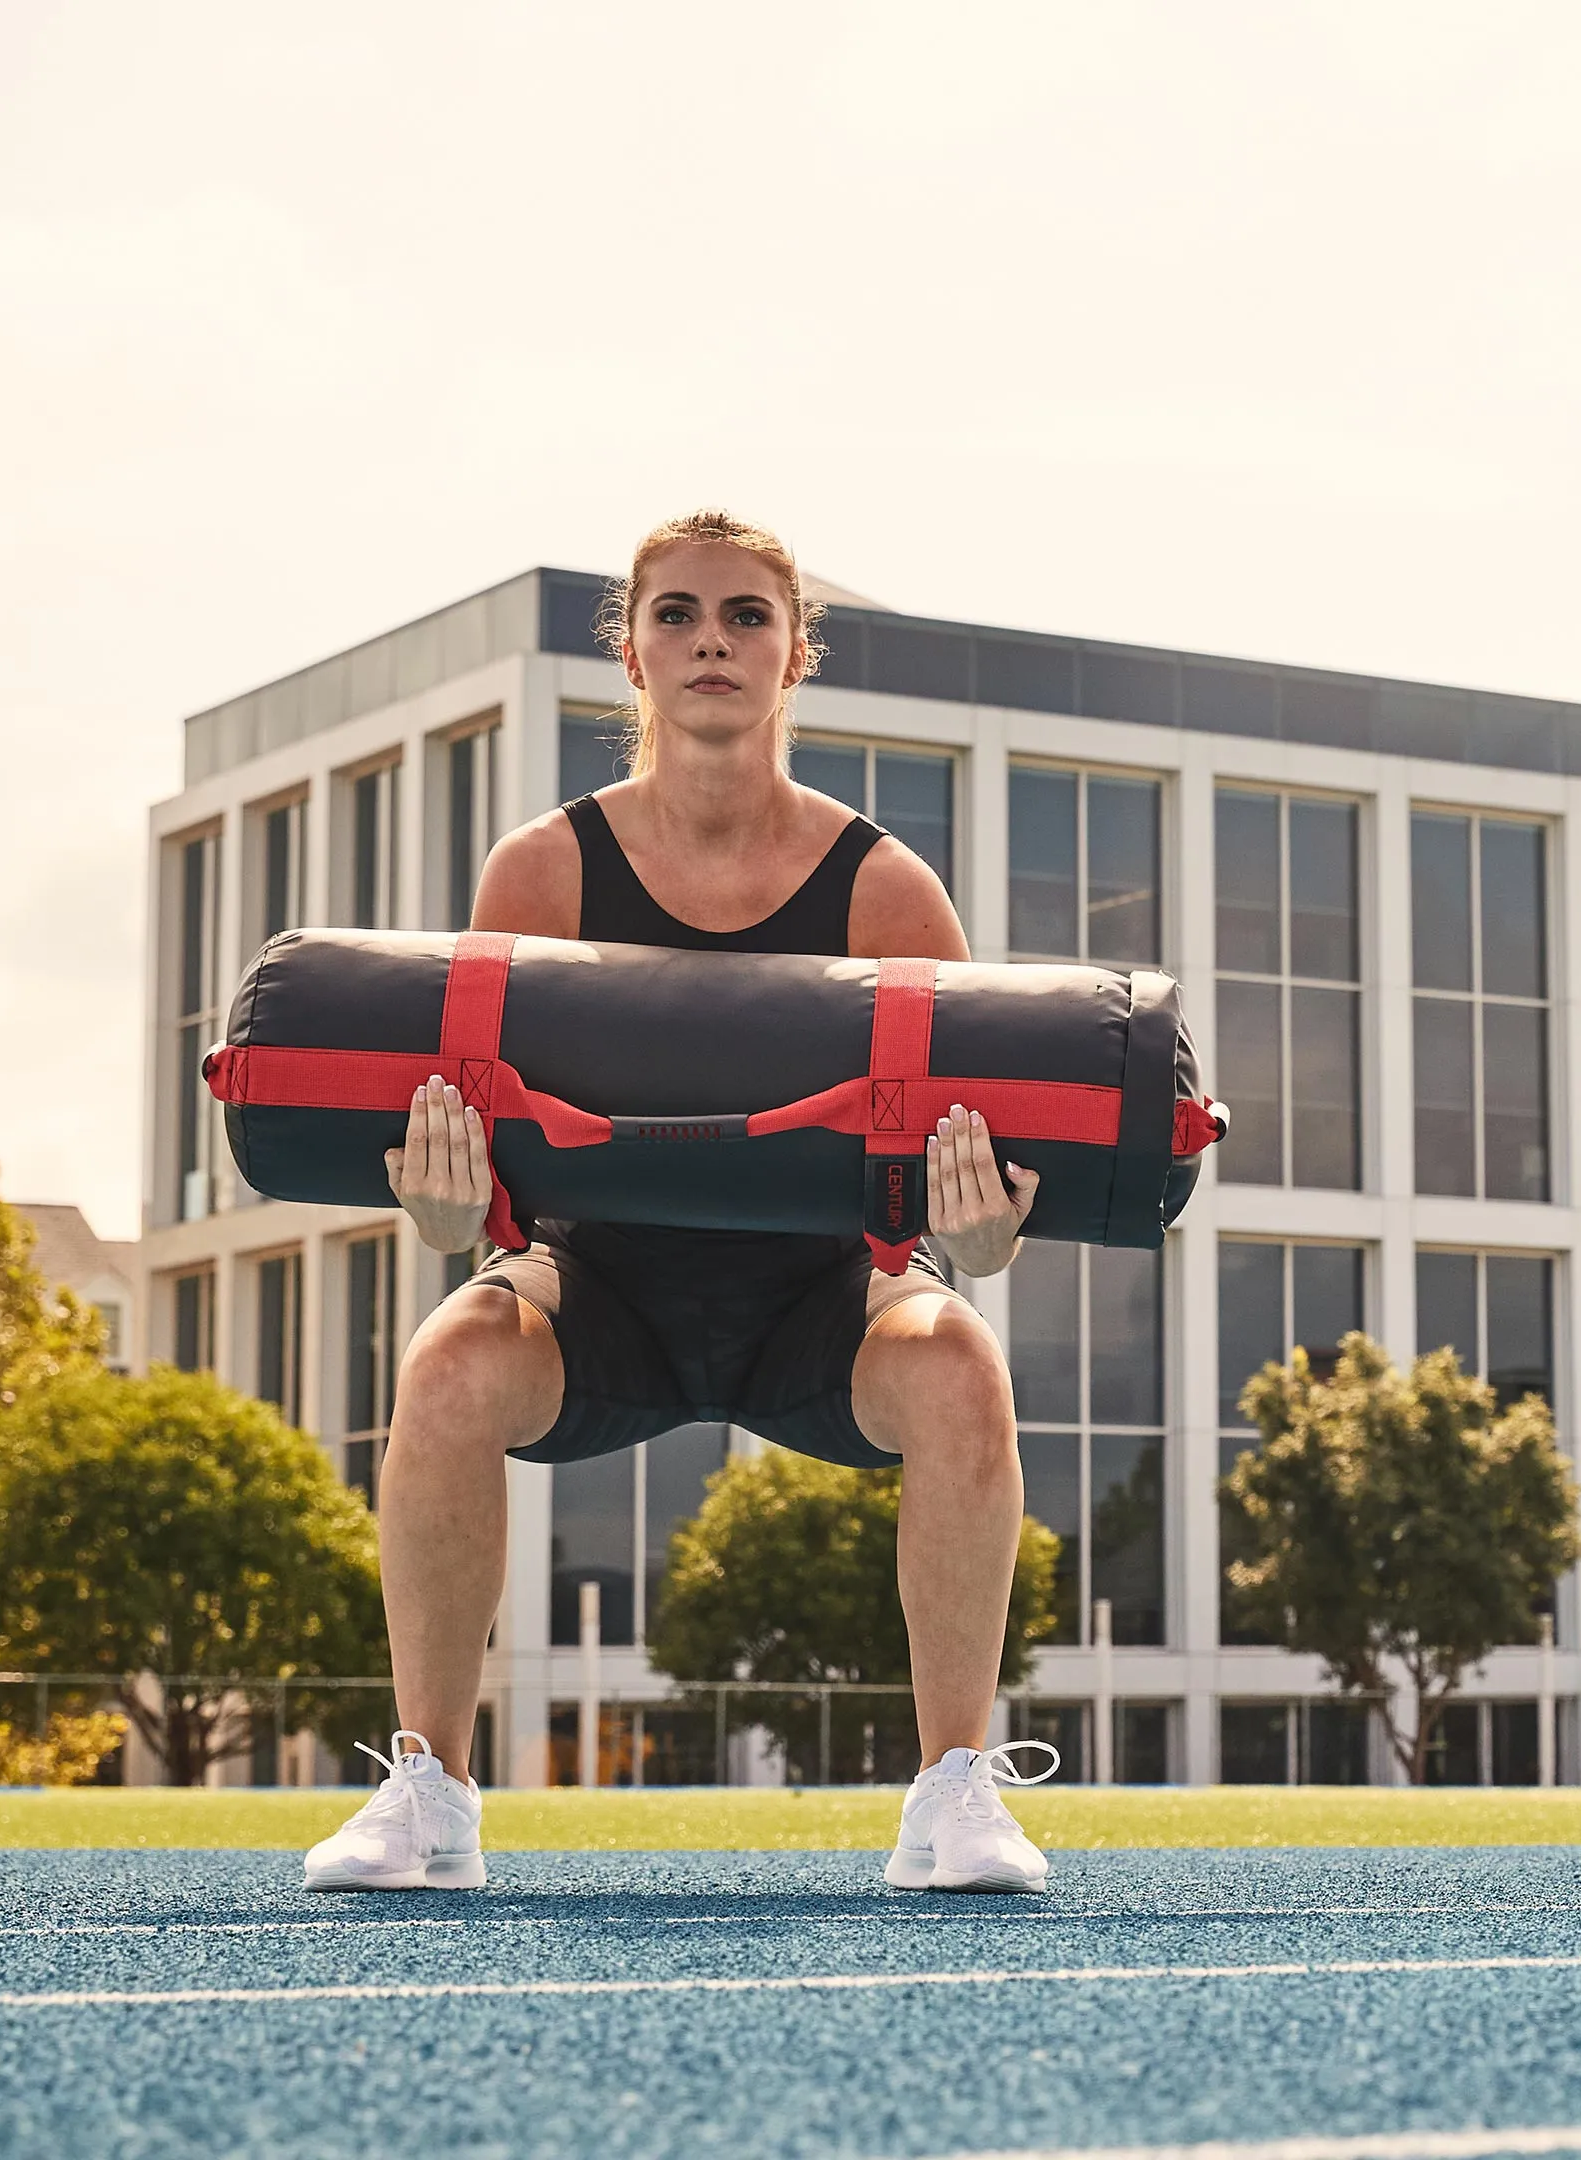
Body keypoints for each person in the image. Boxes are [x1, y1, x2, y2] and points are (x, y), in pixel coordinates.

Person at [304, 508, 1052, 1897]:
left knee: (960, 1366)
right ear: (634, 657)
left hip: (826, 1294)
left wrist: (982, 1242)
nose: (714, 637)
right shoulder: (542, 873)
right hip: (604, 1287)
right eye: (679, 614)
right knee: (447, 1364)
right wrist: (441, 1218)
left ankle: (953, 1799)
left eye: (748, 615)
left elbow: (965, 1193)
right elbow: (491, 1174)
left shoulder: (886, 889)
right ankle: (431, 1797)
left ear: (794, 655)